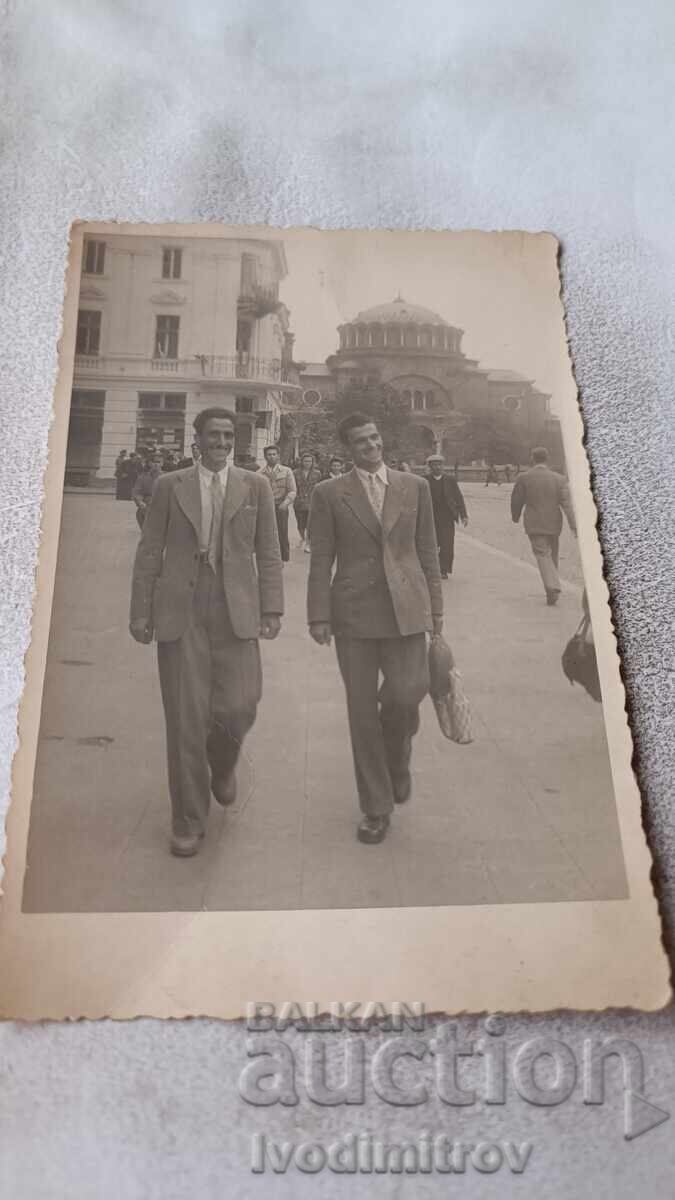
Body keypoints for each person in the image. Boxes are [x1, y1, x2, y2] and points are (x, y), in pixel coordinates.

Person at [129, 406, 283, 858]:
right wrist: (141, 612)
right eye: (213, 435)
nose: (221, 442)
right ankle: (189, 820)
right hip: (182, 609)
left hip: (236, 608)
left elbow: (269, 552)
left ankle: (223, 762)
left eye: (227, 435)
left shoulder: (254, 486)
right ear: (196, 440)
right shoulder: (168, 486)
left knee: (240, 705)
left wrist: (272, 607)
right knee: (185, 718)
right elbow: (149, 551)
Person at [307, 411, 443, 845]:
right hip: (354, 615)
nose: (372, 446)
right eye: (361, 441)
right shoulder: (329, 493)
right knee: (362, 713)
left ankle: (398, 757)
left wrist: (435, 614)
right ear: (348, 448)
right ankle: (375, 807)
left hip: (406, 612)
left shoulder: (414, 487)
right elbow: (320, 557)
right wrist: (319, 614)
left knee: (406, 695)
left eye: (375, 437)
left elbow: (428, 552)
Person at [510, 446, 577, 606]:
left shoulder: (524, 477)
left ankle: (552, 587)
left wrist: (516, 515)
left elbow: (516, 500)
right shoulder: (559, 479)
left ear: (532, 458)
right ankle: (551, 593)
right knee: (551, 556)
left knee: (542, 554)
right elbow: (567, 504)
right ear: (547, 459)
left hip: (534, 523)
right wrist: (573, 525)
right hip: (554, 523)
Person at [425, 454, 468, 578]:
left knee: (447, 544)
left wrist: (463, 515)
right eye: (434, 465)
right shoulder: (424, 480)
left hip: (447, 517)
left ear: (443, 466)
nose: (437, 467)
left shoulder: (450, 480)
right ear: (430, 466)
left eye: (439, 464)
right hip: (430, 518)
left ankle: (443, 570)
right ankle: (431, 568)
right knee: (431, 544)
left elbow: (458, 497)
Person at [260, 445, 296, 564]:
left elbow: (292, 490)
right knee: (266, 533)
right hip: (266, 507)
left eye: (274, 454)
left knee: (282, 532)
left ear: (278, 456)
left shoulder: (286, 471)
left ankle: (282, 559)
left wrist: (286, 503)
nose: (271, 457)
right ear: (265, 457)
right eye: (269, 454)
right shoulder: (260, 473)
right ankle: (269, 558)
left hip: (281, 506)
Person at [293, 452, 322, 552]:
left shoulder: (317, 473)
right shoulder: (295, 473)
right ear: (301, 462)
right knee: (300, 523)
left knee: (311, 523)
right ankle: (303, 538)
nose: (307, 463)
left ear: (313, 462)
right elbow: (293, 487)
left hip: (312, 501)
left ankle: (308, 543)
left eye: (309, 461)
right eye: (305, 461)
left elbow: (320, 487)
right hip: (299, 502)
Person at [131, 454, 162, 529]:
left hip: (162, 505)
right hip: (148, 504)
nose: (156, 464)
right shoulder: (143, 477)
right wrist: (140, 502)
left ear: (162, 463)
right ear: (149, 463)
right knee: (141, 514)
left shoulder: (167, 478)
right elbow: (137, 492)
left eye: (158, 462)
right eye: (154, 462)